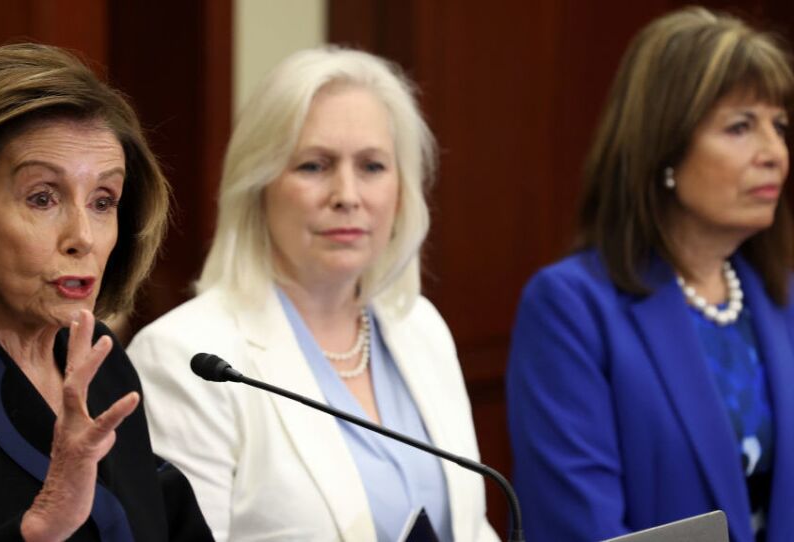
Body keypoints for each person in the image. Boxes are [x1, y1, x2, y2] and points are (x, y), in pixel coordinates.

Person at [127, 46, 498, 542]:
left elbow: (472, 528)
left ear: (402, 190)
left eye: (372, 166)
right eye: (314, 166)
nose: (347, 194)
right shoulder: (184, 357)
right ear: (257, 185)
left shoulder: (420, 326)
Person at [506, 7, 794, 542]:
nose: (774, 152)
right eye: (740, 127)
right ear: (664, 148)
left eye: (779, 126)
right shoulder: (570, 309)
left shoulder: (781, 300)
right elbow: (578, 528)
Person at [0, 43, 212, 540]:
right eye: (43, 197)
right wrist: (40, 528)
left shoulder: (101, 359)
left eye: (103, 201)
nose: (83, 237)